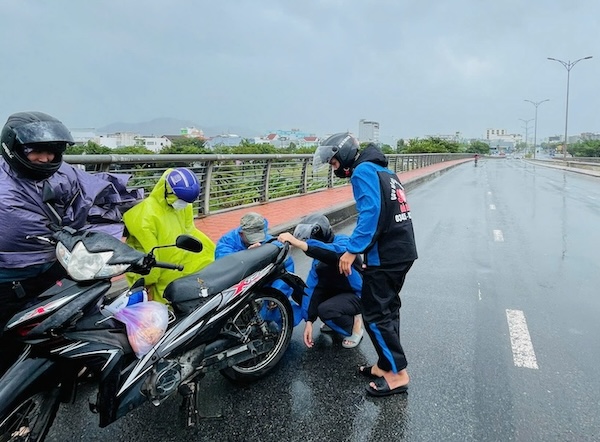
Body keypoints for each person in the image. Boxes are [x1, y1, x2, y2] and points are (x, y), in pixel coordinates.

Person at [0, 111, 142, 372]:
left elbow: (90, 195)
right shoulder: (5, 187)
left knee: (55, 324)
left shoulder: (62, 174)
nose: (45, 159)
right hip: (8, 278)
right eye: (36, 151)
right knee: (8, 338)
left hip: (54, 265)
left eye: (52, 151)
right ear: (13, 148)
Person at [313, 132, 418, 397]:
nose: (333, 167)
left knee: (375, 314)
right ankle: (386, 365)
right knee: (388, 309)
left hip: (387, 254)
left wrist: (352, 250)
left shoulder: (362, 172)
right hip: (402, 249)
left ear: (345, 154)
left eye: (334, 162)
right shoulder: (383, 170)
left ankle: (397, 374)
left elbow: (371, 214)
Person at [123, 167, 216, 303]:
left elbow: (189, 231)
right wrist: (146, 283)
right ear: (167, 190)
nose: (183, 204)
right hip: (162, 276)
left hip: (181, 270)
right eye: (181, 199)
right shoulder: (144, 216)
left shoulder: (183, 206)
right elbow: (148, 256)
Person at [277, 213, 363, 349]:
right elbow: (311, 288)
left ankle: (354, 326)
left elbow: (334, 253)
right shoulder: (318, 261)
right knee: (299, 291)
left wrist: (301, 244)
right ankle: (334, 316)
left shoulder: (344, 243)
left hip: (357, 295)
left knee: (326, 311)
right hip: (336, 293)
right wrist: (309, 320)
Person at [215, 212, 302, 326]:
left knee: (289, 314)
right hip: (238, 293)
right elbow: (224, 265)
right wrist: (248, 255)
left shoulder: (271, 242)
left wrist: (278, 292)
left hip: (263, 292)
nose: (257, 242)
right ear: (241, 234)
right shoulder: (227, 242)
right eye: (252, 238)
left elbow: (286, 267)